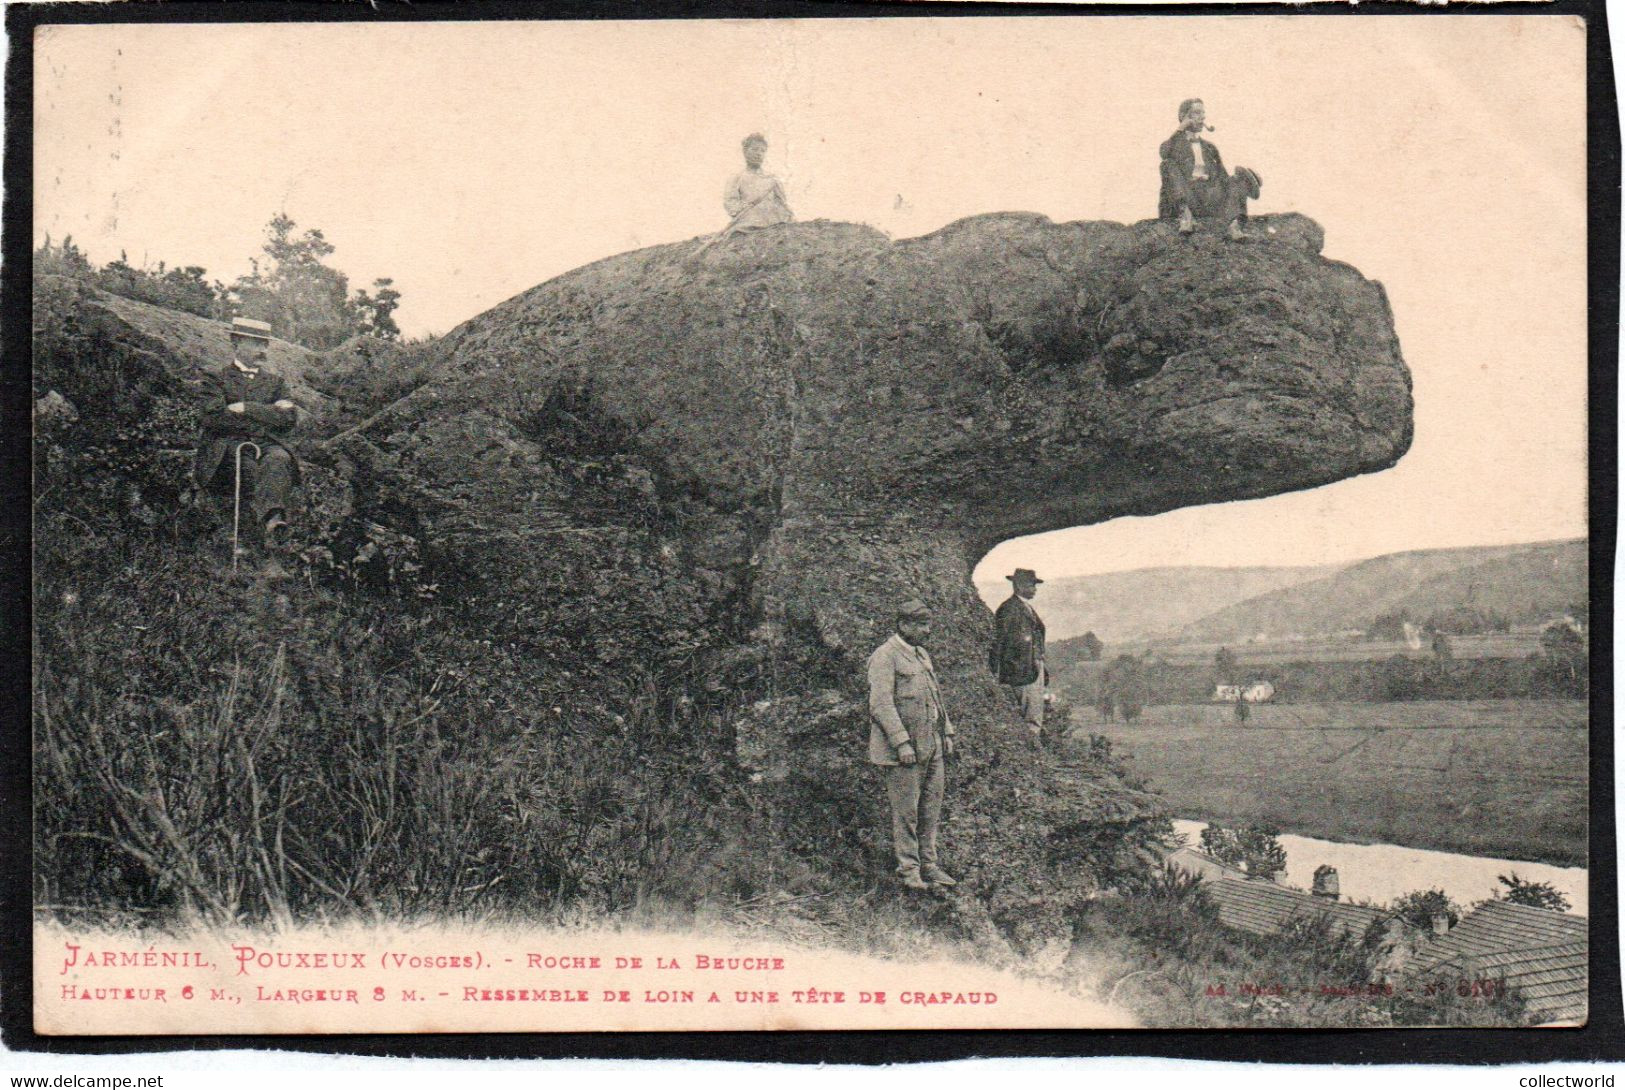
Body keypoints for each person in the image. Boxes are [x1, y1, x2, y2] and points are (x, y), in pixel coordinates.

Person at [867, 599, 957, 891]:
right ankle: (909, 871)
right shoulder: (885, 656)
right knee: (906, 813)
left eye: (928, 623)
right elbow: (880, 704)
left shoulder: (921, 655)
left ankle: (929, 865)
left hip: (931, 746)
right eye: (920, 624)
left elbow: (935, 697)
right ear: (903, 625)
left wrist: (947, 732)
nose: (927, 630)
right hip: (904, 752)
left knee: (930, 809)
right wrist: (901, 743)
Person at [191, 317, 299, 554]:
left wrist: (247, 408)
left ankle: (274, 520)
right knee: (249, 467)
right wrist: (268, 415)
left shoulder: (276, 383)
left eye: (265, 344)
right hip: (226, 445)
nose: (262, 350)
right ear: (236, 342)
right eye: (256, 343)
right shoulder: (215, 378)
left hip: (266, 443)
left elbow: (289, 419)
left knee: (280, 458)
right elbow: (213, 418)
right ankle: (251, 539)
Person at [1158, 98, 1246, 242]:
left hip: (1208, 199)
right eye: (1197, 113)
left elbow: (1222, 176)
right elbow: (1164, 153)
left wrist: (1235, 184)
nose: (1203, 117)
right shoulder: (1175, 143)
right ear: (1183, 116)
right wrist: (1180, 129)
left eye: (1203, 113)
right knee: (1167, 165)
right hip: (1187, 196)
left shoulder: (1210, 147)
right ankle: (1185, 217)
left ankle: (1234, 226)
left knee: (1235, 179)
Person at [989, 568, 1047, 740]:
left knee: (1034, 716)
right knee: (1030, 719)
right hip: (1021, 673)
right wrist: (997, 672)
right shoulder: (1008, 609)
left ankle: (1031, 751)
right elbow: (999, 643)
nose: (1035, 589)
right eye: (1032, 585)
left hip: (1032, 669)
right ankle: (1030, 753)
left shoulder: (1024, 607)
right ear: (1020, 586)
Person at [722, 133, 793, 231]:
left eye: (762, 150)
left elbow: (782, 204)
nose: (759, 153)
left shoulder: (772, 179)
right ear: (745, 152)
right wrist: (744, 209)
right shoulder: (736, 178)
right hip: (746, 225)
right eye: (755, 149)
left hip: (772, 224)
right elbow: (731, 203)